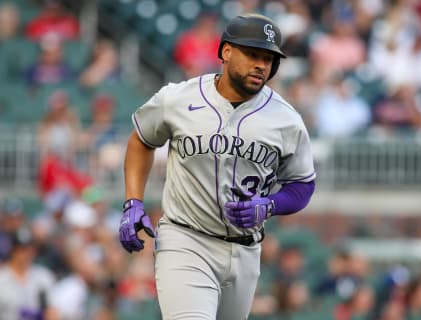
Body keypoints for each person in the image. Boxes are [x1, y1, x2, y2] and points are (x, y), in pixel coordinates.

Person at [118, 13, 316, 320]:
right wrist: (133, 200)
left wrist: (270, 205)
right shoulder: (178, 99)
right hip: (186, 239)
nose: (261, 65)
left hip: (246, 250)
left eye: (268, 58)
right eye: (252, 54)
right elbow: (142, 140)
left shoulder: (285, 119)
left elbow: (303, 184)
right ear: (225, 51)